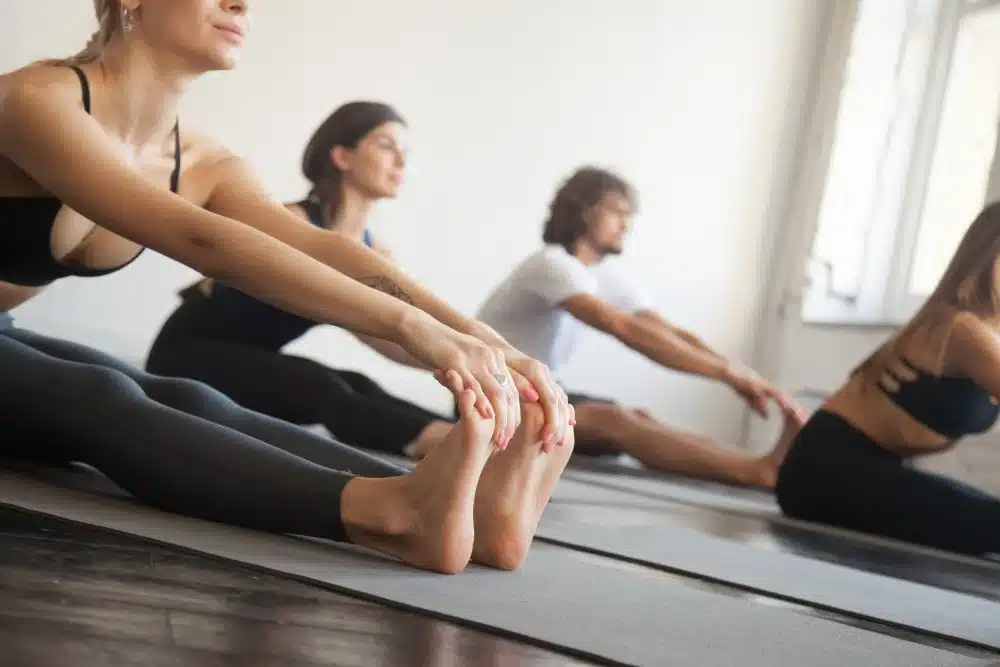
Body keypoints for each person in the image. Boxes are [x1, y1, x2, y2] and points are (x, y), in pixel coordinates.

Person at [0, 0, 576, 575]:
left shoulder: (204, 161)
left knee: (187, 398)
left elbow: (321, 246)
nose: (241, 4)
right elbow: (204, 241)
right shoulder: (33, 102)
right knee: (99, 393)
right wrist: (413, 327)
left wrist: (479, 338)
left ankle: (459, 505)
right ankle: (391, 515)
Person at [145, 100, 460, 459]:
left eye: (405, 152)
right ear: (342, 157)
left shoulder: (378, 254)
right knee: (321, 386)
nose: (401, 162)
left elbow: (389, 336)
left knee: (357, 383)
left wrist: (457, 365)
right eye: (386, 146)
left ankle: (471, 441)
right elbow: (366, 317)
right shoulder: (292, 223)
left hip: (251, 360)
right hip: (185, 356)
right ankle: (453, 450)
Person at [475, 166, 806, 489]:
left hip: (539, 391)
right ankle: (762, 473)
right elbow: (626, 329)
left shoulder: (596, 276)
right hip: (495, 398)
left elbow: (667, 331)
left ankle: (764, 465)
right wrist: (726, 374)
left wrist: (741, 372)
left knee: (638, 418)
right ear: (585, 211)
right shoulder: (550, 265)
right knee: (617, 423)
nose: (626, 225)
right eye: (618, 212)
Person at [775, 202, 1000, 557]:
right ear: (988, 258)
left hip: (864, 469)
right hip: (826, 471)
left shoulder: (974, 330)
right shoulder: (960, 329)